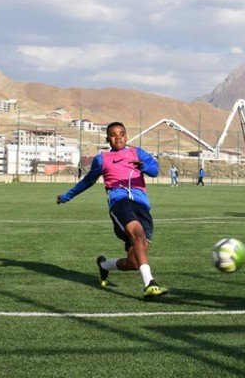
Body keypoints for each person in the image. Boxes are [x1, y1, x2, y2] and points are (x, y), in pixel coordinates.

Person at [56, 122, 167, 299]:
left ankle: (105, 265)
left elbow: (155, 170)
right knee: (137, 234)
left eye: (121, 133)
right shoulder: (102, 159)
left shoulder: (137, 152)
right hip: (120, 203)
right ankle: (150, 283)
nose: (118, 137)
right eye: (113, 134)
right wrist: (66, 196)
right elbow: (87, 181)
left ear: (126, 136)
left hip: (142, 206)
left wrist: (143, 167)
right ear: (108, 139)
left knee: (135, 262)